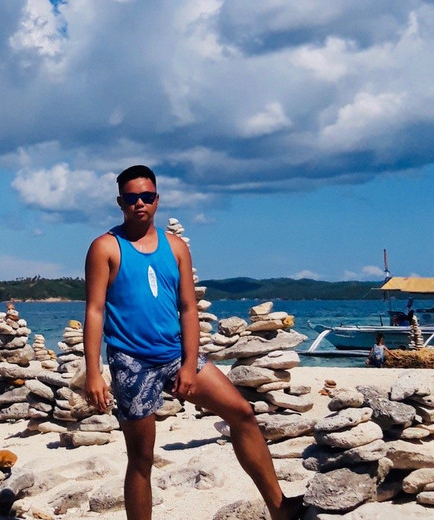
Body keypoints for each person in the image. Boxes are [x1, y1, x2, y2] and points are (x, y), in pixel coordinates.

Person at [83, 165, 301, 520]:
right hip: (130, 362)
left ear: (157, 199)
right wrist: (93, 372)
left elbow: (188, 308)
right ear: (120, 202)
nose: (140, 204)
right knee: (141, 458)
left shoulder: (176, 247)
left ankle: (280, 508)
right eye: (132, 198)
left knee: (242, 413)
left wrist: (188, 363)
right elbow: (94, 312)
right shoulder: (105, 247)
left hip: (173, 354)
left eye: (147, 197)